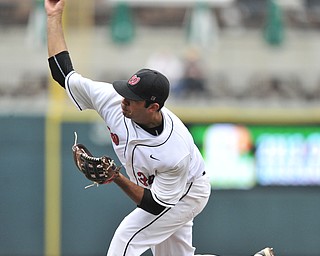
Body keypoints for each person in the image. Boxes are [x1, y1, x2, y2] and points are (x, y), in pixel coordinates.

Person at [44, 1, 274, 256]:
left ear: (153, 107)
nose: (123, 100)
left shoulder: (174, 150)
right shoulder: (112, 99)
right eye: (125, 92)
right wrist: (54, 16)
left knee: (126, 239)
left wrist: (116, 177)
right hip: (163, 191)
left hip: (187, 193)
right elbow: (62, 74)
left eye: (132, 98)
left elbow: (155, 205)